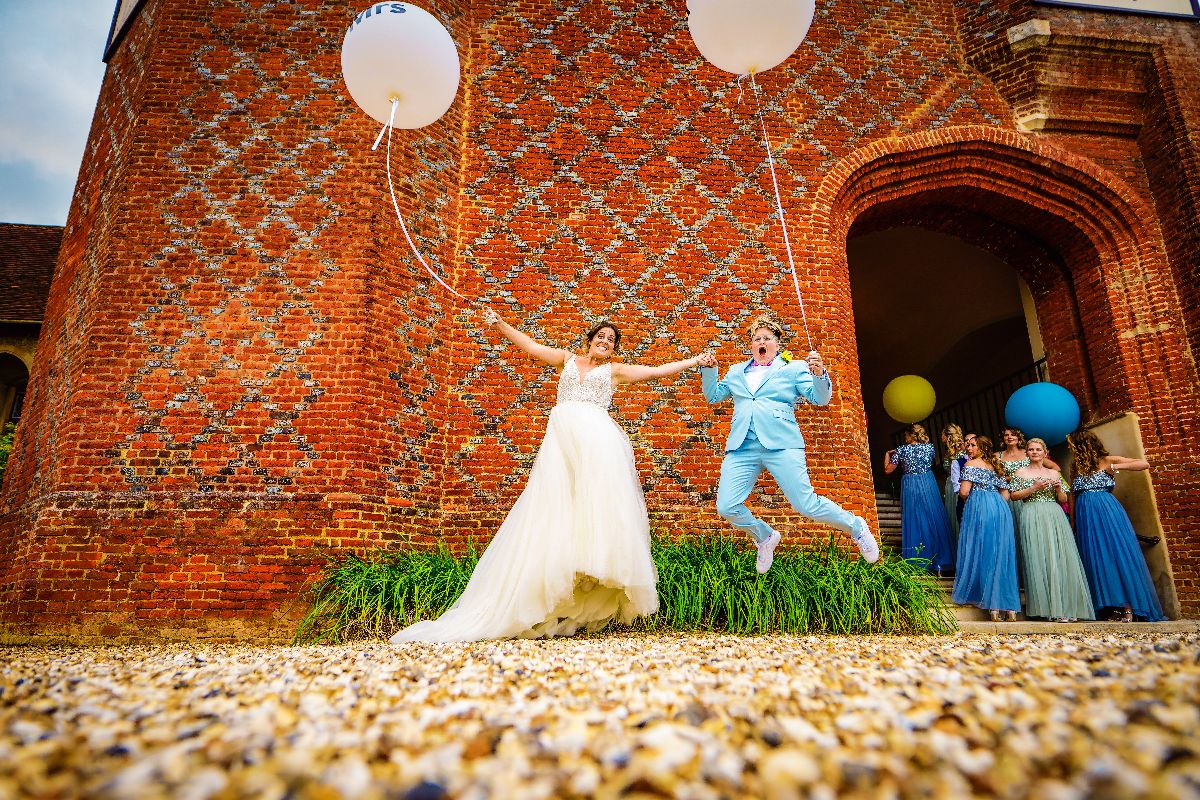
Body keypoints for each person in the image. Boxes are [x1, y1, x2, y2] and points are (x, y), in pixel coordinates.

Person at [391, 310, 709, 643]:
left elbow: (657, 371)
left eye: (611, 340)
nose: (605, 342)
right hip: (561, 444)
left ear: (614, 349)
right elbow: (530, 346)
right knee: (555, 504)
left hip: (598, 445)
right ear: (589, 340)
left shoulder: (615, 371)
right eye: (601, 336)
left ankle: (592, 568)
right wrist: (500, 324)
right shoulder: (566, 359)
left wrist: (694, 361)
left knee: (594, 506)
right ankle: (548, 584)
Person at [697, 315, 878, 574]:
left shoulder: (793, 367)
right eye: (757, 339)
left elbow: (820, 399)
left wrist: (819, 374)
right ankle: (765, 537)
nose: (761, 342)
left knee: (806, 505)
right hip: (742, 446)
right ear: (752, 345)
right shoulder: (736, 371)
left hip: (782, 444)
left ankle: (856, 527)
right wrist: (709, 369)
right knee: (726, 506)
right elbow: (713, 395)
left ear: (777, 344)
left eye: (767, 338)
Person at [1067, 430, 1165, 622]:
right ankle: (1114, 606)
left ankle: (1129, 607)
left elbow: (1143, 464)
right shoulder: (1075, 466)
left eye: (1073, 446)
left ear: (1083, 446)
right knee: (1098, 558)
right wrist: (1073, 521)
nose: (1071, 450)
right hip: (1085, 515)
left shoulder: (1107, 460)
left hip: (1106, 511)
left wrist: (1115, 467)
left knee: (1116, 555)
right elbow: (1072, 494)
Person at [1008, 438, 1095, 622]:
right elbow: (1014, 496)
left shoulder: (1054, 473)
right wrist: (1033, 488)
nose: (1034, 452)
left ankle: (1067, 607)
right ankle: (1049, 608)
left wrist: (1058, 490)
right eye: (1031, 449)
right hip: (1032, 513)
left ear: (1045, 452)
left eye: (1038, 449)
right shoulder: (1021, 472)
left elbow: (1063, 499)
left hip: (1054, 514)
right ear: (1027, 453)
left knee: (1060, 556)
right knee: (1040, 556)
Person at [952, 435, 1020, 621]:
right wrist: (994, 503)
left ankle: (993, 607)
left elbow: (964, 492)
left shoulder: (970, 464)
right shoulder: (997, 466)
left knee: (984, 551)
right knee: (1000, 554)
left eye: (973, 445)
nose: (969, 448)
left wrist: (978, 501)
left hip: (980, 508)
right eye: (968, 445)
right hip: (1000, 509)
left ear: (982, 448)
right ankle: (1009, 609)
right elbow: (1005, 495)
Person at [884, 424, 956, 574]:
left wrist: (887, 454)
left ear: (911, 435)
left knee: (915, 520)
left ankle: (919, 561)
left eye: (906, 435)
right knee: (934, 518)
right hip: (928, 482)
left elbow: (888, 470)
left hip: (911, 485)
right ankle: (941, 560)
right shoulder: (930, 448)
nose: (905, 438)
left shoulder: (901, 450)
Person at [940, 423, 967, 538]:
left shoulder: (963, 448)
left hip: (960, 484)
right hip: (950, 485)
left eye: (942, 434)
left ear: (948, 436)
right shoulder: (948, 451)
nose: (941, 437)